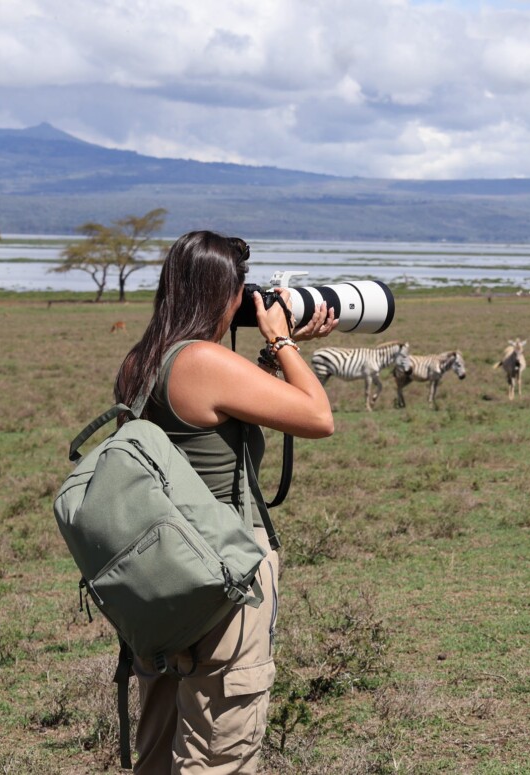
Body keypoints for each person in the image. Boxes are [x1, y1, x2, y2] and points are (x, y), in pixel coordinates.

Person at [113, 231, 337, 773]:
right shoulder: (204, 362)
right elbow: (318, 417)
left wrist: (268, 356)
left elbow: (221, 410)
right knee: (220, 751)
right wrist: (282, 341)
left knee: (159, 745)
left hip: (160, 573)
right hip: (224, 571)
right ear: (223, 294)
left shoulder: (141, 360)